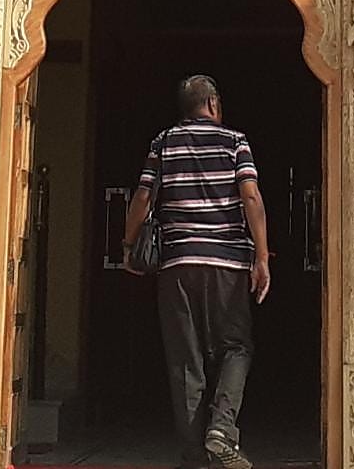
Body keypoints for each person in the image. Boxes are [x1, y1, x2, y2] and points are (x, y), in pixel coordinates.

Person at [123, 72, 271, 469]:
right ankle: (221, 428)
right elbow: (251, 196)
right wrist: (261, 257)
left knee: (185, 361)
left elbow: (143, 197)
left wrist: (128, 246)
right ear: (213, 104)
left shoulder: (163, 142)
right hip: (227, 265)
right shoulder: (235, 141)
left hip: (178, 265)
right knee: (236, 347)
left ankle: (194, 458)